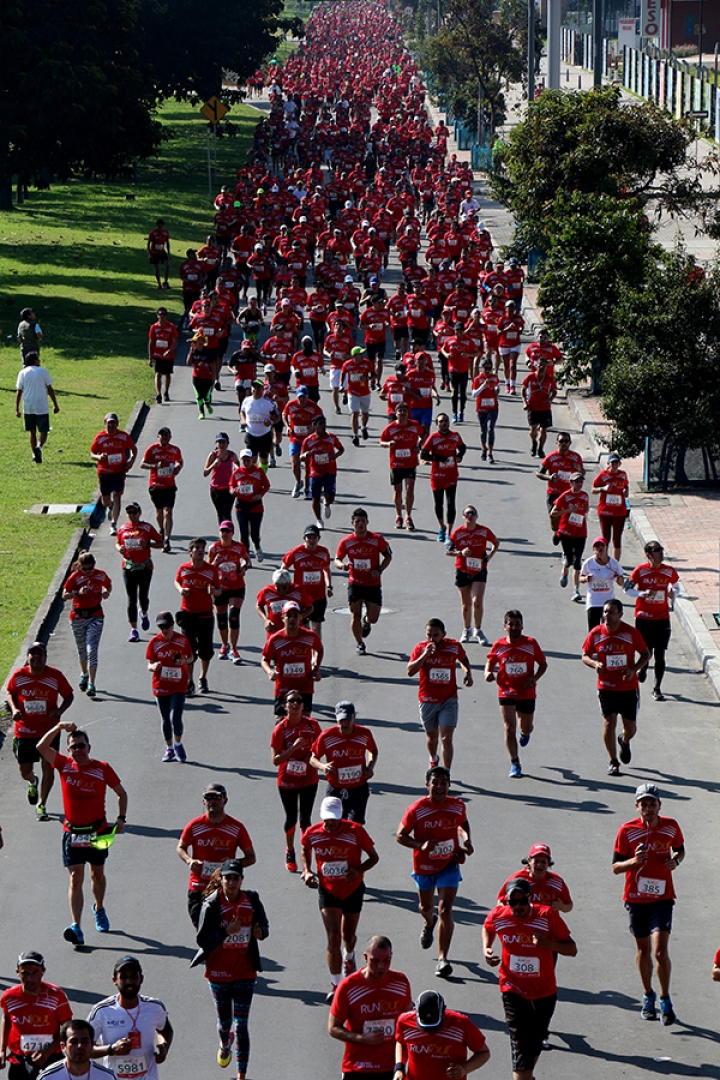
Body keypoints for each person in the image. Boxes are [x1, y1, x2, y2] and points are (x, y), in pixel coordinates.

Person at [37, 721, 127, 946]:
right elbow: (41, 747)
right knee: (75, 878)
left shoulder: (102, 767)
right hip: (72, 832)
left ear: (89, 747)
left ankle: (99, 908)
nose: (77, 750)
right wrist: (58, 727)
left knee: (97, 875)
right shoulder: (64, 765)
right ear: (68, 750)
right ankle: (76, 926)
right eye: (73, 747)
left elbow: (121, 793)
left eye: (81, 745)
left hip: (98, 831)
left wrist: (121, 818)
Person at [483, 876, 577, 1078]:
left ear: (530, 898)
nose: (518, 907)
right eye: (513, 902)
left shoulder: (547, 916)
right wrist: (486, 948)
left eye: (522, 901)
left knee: (534, 1046)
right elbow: (488, 926)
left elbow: (572, 949)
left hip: (544, 991)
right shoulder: (500, 915)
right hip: (512, 988)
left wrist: (549, 945)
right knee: (520, 1043)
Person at [612, 783, 685, 1025]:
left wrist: (676, 862)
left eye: (652, 804)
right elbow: (615, 867)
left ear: (659, 805)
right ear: (637, 806)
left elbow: (680, 850)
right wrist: (633, 861)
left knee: (660, 952)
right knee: (643, 951)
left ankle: (665, 998)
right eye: (644, 804)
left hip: (662, 898)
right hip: (636, 899)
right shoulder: (627, 830)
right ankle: (648, 995)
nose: (648, 808)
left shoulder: (671, 826)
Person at [190, 860, 269, 1080]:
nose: (232, 882)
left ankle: (241, 1075)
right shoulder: (212, 904)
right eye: (228, 878)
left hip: (245, 970)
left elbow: (265, 926)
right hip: (218, 972)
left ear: (241, 879)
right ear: (222, 880)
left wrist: (260, 932)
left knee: (242, 1024)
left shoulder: (251, 900)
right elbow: (203, 939)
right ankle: (225, 1042)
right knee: (225, 1023)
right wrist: (227, 932)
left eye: (236, 878)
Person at [301, 797, 380, 1004]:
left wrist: (358, 870)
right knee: (333, 936)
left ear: (341, 816)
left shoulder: (355, 831)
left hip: (352, 889)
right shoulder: (313, 833)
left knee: (348, 936)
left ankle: (350, 954)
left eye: (335, 819)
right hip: (328, 890)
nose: (331, 823)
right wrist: (307, 870)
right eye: (328, 819)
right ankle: (336, 985)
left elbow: (374, 857)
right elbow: (305, 848)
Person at [396, 767, 473, 978]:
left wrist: (466, 840)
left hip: (449, 863)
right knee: (426, 907)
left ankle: (442, 959)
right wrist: (420, 845)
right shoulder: (417, 809)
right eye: (435, 783)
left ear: (448, 785)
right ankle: (429, 923)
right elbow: (400, 836)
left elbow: (462, 823)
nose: (439, 787)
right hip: (424, 867)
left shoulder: (457, 805)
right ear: (427, 785)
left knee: (446, 909)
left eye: (443, 783)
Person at [329, 935, 412, 1080]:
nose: (381, 966)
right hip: (357, 1067)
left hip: (391, 1068)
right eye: (375, 961)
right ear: (365, 958)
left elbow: (408, 1021)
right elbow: (333, 1028)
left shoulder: (400, 982)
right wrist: (362, 1038)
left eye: (386, 960)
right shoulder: (349, 986)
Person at [582, 598, 650, 775]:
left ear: (620, 614)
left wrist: (634, 669)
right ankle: (613, 761)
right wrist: (594, 664)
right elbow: (585, 655)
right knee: (608, 722)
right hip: (606, 687)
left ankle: (624, 740)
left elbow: (645, 654)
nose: (607, 616)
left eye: (611, 612)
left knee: (631, 729)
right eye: (605, 612)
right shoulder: (596, 633)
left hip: (628, 687)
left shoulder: (630, 633)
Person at [6, 641, 73, 821]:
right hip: (25, 731)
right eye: (32, 654)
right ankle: (32, 781)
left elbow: (69, 696)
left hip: (49, 730)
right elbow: (10, 693)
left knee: (49, 768)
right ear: (28, 657)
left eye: (40, 654)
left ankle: (42, 803)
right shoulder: (19, 675)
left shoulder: (55, 676)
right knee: (24, 770)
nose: (36, 657)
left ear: (45, 657)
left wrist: (59, 711)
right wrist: (14, 710)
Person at [178, 784, 256, 928]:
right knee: (202, 931)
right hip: (198, 885)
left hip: (225, 887)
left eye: (217, 797)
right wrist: (189, 860)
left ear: (225, 800)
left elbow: (251, 857)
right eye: (208, 797)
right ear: (203, 801)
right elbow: (181, 847)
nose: (212, 801)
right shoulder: (195, 825)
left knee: (223, 930)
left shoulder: (236, 827)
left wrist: (230, 866)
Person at [485, 610, 548, 779]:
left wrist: (534, 679)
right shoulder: (499, 645)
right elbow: (490, 662)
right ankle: (515, 762)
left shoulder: (530, 643)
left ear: (522, 625)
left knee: (525, 726)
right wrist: (488, 673)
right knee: (508, 726)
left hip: (527, 692)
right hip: (506, 691)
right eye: (510, 624)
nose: (514, 627)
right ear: (505, 626)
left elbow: (543, 664)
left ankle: (526, 732)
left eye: (517, 624)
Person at [86, 956, 172, 1078]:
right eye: (124, 977)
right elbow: (85, 1049)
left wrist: (164, 1047)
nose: (129, 982)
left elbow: (165, 1030)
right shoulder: (101, 1012)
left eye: (133, 976)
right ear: (114, 980)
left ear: (141, 979)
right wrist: (111, 1049)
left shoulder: (154, 1007)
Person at [407, 620, 472, 771]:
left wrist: (467, 672)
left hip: (449, 699)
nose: (432, 639)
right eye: (429, 635)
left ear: (444, 634)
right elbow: (410, 671)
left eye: (436, 635)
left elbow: (463, 658)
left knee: (446, 738)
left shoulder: (454, 646)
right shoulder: (420, 648)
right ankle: (433, 758)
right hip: (428, 699)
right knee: (432, 737)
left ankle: (446, 773)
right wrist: (425, 655)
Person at [270, 694, 321, 873]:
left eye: (299, 701)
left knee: (305, 819)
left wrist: (311, 756)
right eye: (291, 701)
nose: (295, 704)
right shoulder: (280, 729)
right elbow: (275, 760)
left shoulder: (312, 725)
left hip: (309, 778)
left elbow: (320, 748)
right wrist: (293, 749)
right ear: (285, 706)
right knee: (291, 817)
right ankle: (290, 850)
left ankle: (305, 854)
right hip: (287, 780)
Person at [0, 951, 71, 1079]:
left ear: (43, 971)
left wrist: (47, 1052)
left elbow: (67, 1028)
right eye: (25, 973)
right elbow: (6, 1019)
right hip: (19, 1058)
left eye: (35, 973)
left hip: (51, 1057)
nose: (29, 979)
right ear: (17, 972)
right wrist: (2, 1051)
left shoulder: (56, 995)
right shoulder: (9, 996)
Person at [335, 508, 393, 656]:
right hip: (355, 583)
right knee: (355, 613)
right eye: (357, 521)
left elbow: (388, 556)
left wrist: (379, 570)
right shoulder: (346, 542)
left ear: (367, 522)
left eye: (363, 521)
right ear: (352, 523)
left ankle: (366, 621)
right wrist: (342, 566)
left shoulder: (376, 539)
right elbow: (337, 559)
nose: (360, 524)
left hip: (372, 583)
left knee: (374, 617)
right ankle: (360, 643)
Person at [395, 990, 490, 1080]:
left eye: (435, 1026)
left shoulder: (461, 1024)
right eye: (425, 1028)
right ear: (415, 1012)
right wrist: (399, 1068)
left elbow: (483, 1053)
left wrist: (464, 1069)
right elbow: (401, 1042)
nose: (431, 1032)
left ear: (443, 1012)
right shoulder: (404, 1022)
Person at [310, 701, 378, 826]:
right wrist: (323, 766)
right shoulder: (327, 736)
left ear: (354, 717)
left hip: (359, 787)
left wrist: (370, 767)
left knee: (355, 826)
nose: (345, 724)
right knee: (334, 824)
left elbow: (373, 751)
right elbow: (313, 758)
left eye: (348, 720)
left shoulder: (364, 733)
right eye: (341, 720)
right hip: (336, 788)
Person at [628, 542, 679, 702]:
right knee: (647, 651)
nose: (661, 553)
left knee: (660, 654)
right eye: (657, 551)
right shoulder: (640, 571)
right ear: (649, 554)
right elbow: (627, 589)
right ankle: (643, 669)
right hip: (644, 618)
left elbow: (677, 587)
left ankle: (657, 688)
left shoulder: (668, 570)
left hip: (662, 618)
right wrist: (642, 593)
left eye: (661, 550)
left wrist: (673, 593)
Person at [62, 551, 112, 698]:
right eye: (85, 569)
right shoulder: (75, 577)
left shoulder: (100, 575)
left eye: (91, 568)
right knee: (82, 649)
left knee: (92, 650)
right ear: (80, 567)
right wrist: (77, 593)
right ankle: (84, 674)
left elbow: (109, 585)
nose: (89, 572)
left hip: (95, 616)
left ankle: (92, 683)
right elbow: (64, 595)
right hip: (77, 616)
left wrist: (106, 592)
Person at [174, 538, 221, 695]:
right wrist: (181, 590)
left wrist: (214, 592)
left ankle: (203, 677)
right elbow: (177, 581)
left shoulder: (211, 570)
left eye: (202, 548)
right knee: (189, 650)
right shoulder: (184, 569)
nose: (201, 550)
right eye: (197, 548)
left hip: (205, 615)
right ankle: (189, 681)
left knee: (206, 650)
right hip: (188, 614)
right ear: (190, 552)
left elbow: (219, 589)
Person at [446, 506, 499, 645]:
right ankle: (466, 629)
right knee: (466, 605)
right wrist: (460, 553)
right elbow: (447, 550)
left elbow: (496, 542)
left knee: (477, 602)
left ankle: (478, 629)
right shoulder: (458, 533)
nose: (470, 516)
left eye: (472, 514)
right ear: (463, 517)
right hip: (462, 570)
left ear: (476, 516)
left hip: (479, 570)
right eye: (467, 514)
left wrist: (489, 556)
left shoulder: (483, 531)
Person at [146, 611, 194, 762]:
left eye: (167, 626)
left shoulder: (182, 640)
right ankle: (169, 748)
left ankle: (178, 743)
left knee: (176, 716)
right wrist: (153, 666)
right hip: (161, 685)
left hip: (178, 685)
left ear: (173, 625)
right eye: (161, 627)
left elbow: (191, 657)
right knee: (165, 718)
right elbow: (149, 664)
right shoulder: (154, 642)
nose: (164, 630)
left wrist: (184, 662)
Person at [261, 602, 324, 716]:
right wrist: (270, 672)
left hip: (305, 686)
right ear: (283, 618)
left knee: (305, 719)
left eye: (296, 615)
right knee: (281, 721)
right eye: (288, 615)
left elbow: (319, 649)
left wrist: (316, 668)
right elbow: (265, 660)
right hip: (283, 686)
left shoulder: (309, 636)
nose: (292, 619)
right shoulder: (276, 639)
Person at [116, 502, 163, 643]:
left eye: (134, 512)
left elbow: (161, 543)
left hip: (145, 567)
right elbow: (117, 542)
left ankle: (143, 613)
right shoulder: (123, 528)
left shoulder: (147, 527)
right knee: (131, 599)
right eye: (129, 512)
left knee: (143, 597)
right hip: (128, 567)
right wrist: (119, 549)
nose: (132, 515)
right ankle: (134, 630)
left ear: (139, 513)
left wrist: (147, 544)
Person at [420, 414, 467, 545]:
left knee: (451, 503)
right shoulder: (433, 438)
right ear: (437, 424)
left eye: (446, 421)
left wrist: (459, 456)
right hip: (437, 476)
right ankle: (442, 527)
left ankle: (449, 532)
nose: (444, 423)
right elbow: (423, 454)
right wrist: (439, 459)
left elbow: (463, 447)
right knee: (438, 503)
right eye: (441, 422)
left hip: (451, 474)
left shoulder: (455, 435)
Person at [208, 521, 249, 664]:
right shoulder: (214, 549)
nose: (224, 534)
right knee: (221, 618)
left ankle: (234, 648)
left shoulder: (239, 547)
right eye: (222, 531)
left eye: (227, 531)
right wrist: (215, 563)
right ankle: (224, 645)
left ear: (232, 533)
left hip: (236, 586)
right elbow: (208, 569)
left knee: (234, 615)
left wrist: (243, 568)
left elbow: (246, 560)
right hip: (220, 588)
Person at [282, 523, 333, 638]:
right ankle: (307, 651)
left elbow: (326, 569)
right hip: (301, 596)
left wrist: (329, 586)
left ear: (318, 539)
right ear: (304, 538)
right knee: (304, 626)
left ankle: (316, 652)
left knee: (317, 626)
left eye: (314, 537)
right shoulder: (296, 552)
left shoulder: (323, 552)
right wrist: (285, 586)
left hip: (318, 595)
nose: (311, 540)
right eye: (309, 537)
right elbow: (283, 569)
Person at [90, 413, 137, 536]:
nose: (111, 425)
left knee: (117, 495)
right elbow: (92, 453)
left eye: (113, 423)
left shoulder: (123, 436)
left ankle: (113, 524)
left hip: (118, 472)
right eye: (109, 423)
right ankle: (110, 506)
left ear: (117, 424)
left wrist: (131, 462)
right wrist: (99, 457)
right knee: (105, 500)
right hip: (104, 472)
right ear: (105, 423)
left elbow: (133, 449)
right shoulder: (100, 437)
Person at [379, 404, 423, 530]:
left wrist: (418, 446)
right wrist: (388, 444)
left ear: (408, 413)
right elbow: (381, 441)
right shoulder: (390, 428)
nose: (402, 413)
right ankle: (399, 516)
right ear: (396, 413)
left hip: (410, 463)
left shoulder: (414, 425)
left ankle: (408, 516)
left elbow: (422, 434)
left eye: (404, 411)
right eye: (400, 411)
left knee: (410, 490)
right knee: (397, 491)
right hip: (396, 464)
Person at [141, 426, 183, 553]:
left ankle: (166, 539)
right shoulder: (152, 449)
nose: (164, 437)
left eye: (166, 435)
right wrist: (155, 465)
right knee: (159, 512)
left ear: (170, 437)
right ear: (158, 436)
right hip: (155, 486)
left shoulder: (175, 450)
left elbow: (180, 462)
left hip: (169, 485)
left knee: (167, 512)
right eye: (161, 435)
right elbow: (142, 464)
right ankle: (162, 529)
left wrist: (177, 468)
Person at [497, 843, 573, 912]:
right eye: (536, 861)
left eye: (543, 862)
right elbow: (500, 902)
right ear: (529, 861)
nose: (539, 865)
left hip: (547, 923)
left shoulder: (556, 882)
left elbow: (569, 905)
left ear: (548, 863)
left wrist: (561, 907)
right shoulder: (518, 880)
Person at [300, 413, 345, 529]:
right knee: (315, 497)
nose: (323, 426)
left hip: (330, 470)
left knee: (330, 495)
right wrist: (306, 455)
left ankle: (327, 502)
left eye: (324, 423)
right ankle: (319, 520)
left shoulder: (331, 437)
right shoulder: (308, 441)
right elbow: (301, 457)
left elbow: (341, 449)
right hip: (315, 472)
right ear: (314, 426)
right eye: (321, 424)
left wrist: (335, 456)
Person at [550, 472, 588, 602]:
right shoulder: (565, 497)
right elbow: (553, 512)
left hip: (581, 532)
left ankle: (576, 591)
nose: (579, 484)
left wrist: (582, 511)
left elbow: (586, 508)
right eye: (576, 481)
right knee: (569, 560)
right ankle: (564, 570)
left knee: (577, 562)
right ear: (571, 483)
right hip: (566, 532)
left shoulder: (584, 496)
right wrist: (567, 511)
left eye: (581, 481)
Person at [15, 351, 59, 463]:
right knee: (44, 430)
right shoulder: (42, 371)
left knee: (32, 432)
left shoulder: (22, 373)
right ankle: (39, 447)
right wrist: (55, 404)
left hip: (28, 406)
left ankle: (34, 454)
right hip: (41, 406)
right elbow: (50, 389)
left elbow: (19, 391)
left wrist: (17, 408)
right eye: (38, 359)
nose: (39, 361)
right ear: (34, 361)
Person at [37, 1019, 114, 1080]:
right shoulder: (48, 1077)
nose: (80, 1046)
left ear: (92, 1046)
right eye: (74, 1042)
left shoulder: (107, 1077)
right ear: (63, 1047)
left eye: (85, 1041)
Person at [230, 448, 271, 560]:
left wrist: (260, 495)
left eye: (248, 459)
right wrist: (232, 491)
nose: (246, 462)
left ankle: (257, 547)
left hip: (255, 506)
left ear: (252, 459)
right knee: (244, 533)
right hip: (241, 506)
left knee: (254, 533)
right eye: (244, 460)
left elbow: (266, 485)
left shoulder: (258, 471)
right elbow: (231, 485)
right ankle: (246, 556)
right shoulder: (237, 473)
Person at [284, 385, 323, 497]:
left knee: (307, 466)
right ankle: (298, 483)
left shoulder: (313, 407)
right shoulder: (291, 405)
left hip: (308, 441)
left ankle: (307, 488)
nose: (301, 399)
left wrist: (314, 428)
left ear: (307, 396)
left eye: (304, 397)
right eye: (300, 397)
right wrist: (287, 426)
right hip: (295, 439)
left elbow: (321, 419)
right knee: (295, 463)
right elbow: (284, 414)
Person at [579, 537, 625, 630]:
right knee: (593, 631)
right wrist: (586, 578)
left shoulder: (614, 563)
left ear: (606, 547)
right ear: (593, 549)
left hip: (608, 603)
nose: (600, 548)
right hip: (593, 602)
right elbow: (580, 578)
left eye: (602, 545)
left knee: (608, 630)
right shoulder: (589, 563)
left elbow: (621, 583)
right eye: (597, 546)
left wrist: (618, 578)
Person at [592, 451, 629, 561]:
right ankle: (604, 560)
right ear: (608, 463)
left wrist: (626, 491)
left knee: (617, 539)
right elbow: (593, 489)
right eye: (612, 463)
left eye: (616, 463)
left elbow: (626, 486)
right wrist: (603, 489)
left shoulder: (623, 475)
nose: (614, 465)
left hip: (619, 511)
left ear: (619, 464)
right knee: (605, 538)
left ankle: (616, 563)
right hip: (605, 511)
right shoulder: (603, 475)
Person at [536, 432, 584, 516]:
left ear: (570, 443)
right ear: (557, 442)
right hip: (554, 493)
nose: (564, 444)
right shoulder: (550, 457)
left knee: (569, 519)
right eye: (561, 441)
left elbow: (583, 473)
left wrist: (579, 469)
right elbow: (538, 473)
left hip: (570, 493)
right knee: (554, 519)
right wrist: (550, 477)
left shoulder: (576, 457)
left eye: (566, 441)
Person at [239, 379, 279, 469]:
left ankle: (260, 478)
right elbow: (242, 412)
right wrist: (243, 420)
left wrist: (271, 422)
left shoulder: (268, 403)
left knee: (264, 460)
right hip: (251, 434)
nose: (255, 390)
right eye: (254, 387)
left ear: (262, 389)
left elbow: (277, 416)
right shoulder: (246, 401)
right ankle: (254, 479)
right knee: (252, 459)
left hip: (264, 435)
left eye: (258, 388)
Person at [521, 357, 556, 458]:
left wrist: (550, 399)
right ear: (536, 366)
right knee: (532, 430)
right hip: (533, 407)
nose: (541, 367)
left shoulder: (549, 379)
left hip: (545, 408)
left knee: (543, 430)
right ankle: (534, 443)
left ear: (546, 367)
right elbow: (523, 389)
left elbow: (554, 391)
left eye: (544, 366)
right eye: (540, 365)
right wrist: (525, 402)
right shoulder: (530, 377)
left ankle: (541, 449)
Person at [203, 432, 240, 526]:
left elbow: (238, 466)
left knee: (227, 513)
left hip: (229, 488)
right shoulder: (213, 455)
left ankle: (229, 535)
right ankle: (223, 534)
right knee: (220, 513)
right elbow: (205, 473)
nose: (222, 445)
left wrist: (236, 468)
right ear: (216, 444)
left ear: (227, 443)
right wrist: (213, 465)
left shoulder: (232, 455)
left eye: (224, 442)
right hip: (216, 489)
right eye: (219, 442)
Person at [342, 346, 375, 446]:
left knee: (365, 413)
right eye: (360, 354)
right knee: (354, 414)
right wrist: (342, 389)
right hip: (352, 392)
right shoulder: (347, 365)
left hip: (365, 392)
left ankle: (364, 427)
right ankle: (355, 435)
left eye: (362, 354)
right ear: (354, 356)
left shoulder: (367, 363)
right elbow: (343, 377)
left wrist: (367, 378)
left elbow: (375, 375)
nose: (362, 355)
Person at [147, 307, 179, 403]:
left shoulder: (171, 327)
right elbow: (151, 342)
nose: (162, 316)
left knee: (167, 374)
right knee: (158, 374)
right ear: (157, 315)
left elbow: (175, 341)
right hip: (157, 355)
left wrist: (170, 350)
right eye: (160, 314)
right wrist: (150, 357)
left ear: (166, 316)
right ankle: (158, 394)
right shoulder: (154, 327)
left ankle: (166, 392)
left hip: (168, 356)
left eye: (164, 314)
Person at [470, 358, 499, 463]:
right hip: (481, 408)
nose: (487, 370)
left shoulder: (494, 378)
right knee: (484, 430)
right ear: (481, 368)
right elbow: (474, 394)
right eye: (485, 368)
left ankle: (490, 453)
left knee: (491, 429)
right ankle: (483, 449)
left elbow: (497, 389)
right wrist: (483, 386)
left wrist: (496, 390)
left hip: (493, 407)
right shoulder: (478, 379)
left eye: (489, 368)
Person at [147, 219, 170, 288]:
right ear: (157, 226)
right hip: (154, 253)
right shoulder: (153, 233)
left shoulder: (165, 233)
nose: (160, 228)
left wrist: (169, 253)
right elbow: (148, 243)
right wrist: (150, 253)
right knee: (157, 268)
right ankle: (159, 284)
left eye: (161, 227)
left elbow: (167, 243)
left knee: (168, 265)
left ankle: (165, 282)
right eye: (159, 227)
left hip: (162, 252)